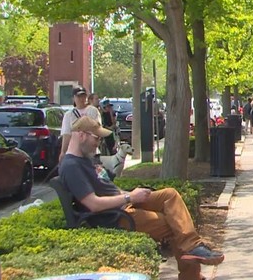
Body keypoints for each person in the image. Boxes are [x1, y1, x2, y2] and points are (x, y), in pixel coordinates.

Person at [59, 116, 224, 280]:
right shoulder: (72, 166)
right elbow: (93, 204)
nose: (99, 142)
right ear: (81, 135)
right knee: (175, 224)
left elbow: (107, 189)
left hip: (123, 205)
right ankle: (192, 272)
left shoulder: (84, 160)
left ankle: (193, 247)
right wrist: (129, 197)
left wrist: (131, 194)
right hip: (115, 216)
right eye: (96, 138)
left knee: (170, 195)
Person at [59, 86, 102, 163]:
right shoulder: (69, 115)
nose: (81, 99)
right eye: (78, 96)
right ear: (73, 98)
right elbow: (66, 135)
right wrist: (63, 152)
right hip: (74, 154)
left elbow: (97, 131)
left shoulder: (93, 111)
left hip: (91, 153)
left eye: (83, 96)